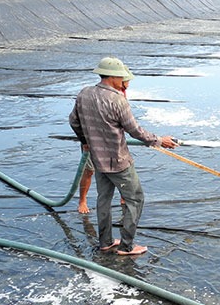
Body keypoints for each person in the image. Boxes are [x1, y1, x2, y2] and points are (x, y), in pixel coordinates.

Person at [69, 57, 178, 256]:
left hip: (97, 159)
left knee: (103, 199)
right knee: (135, 199)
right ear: (113, 77)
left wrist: (85, 141)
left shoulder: (84, 93)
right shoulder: (117, 100)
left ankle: (105, 242)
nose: (124, 81)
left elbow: (74, 121)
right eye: (122, 77)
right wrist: (160, 140)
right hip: (118, 161)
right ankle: (126, 246)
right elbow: (134, 130)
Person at [77, 65, 134, 214]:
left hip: (112, 142)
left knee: (121, 167)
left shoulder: (120, 94)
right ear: (115, 79)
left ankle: (124, 197)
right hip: (94, 141)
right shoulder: (93, 95)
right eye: (123, 85)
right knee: (89, 170)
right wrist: (85, 141)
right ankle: (82, 200)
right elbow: (75, 119)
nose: (124, 89)